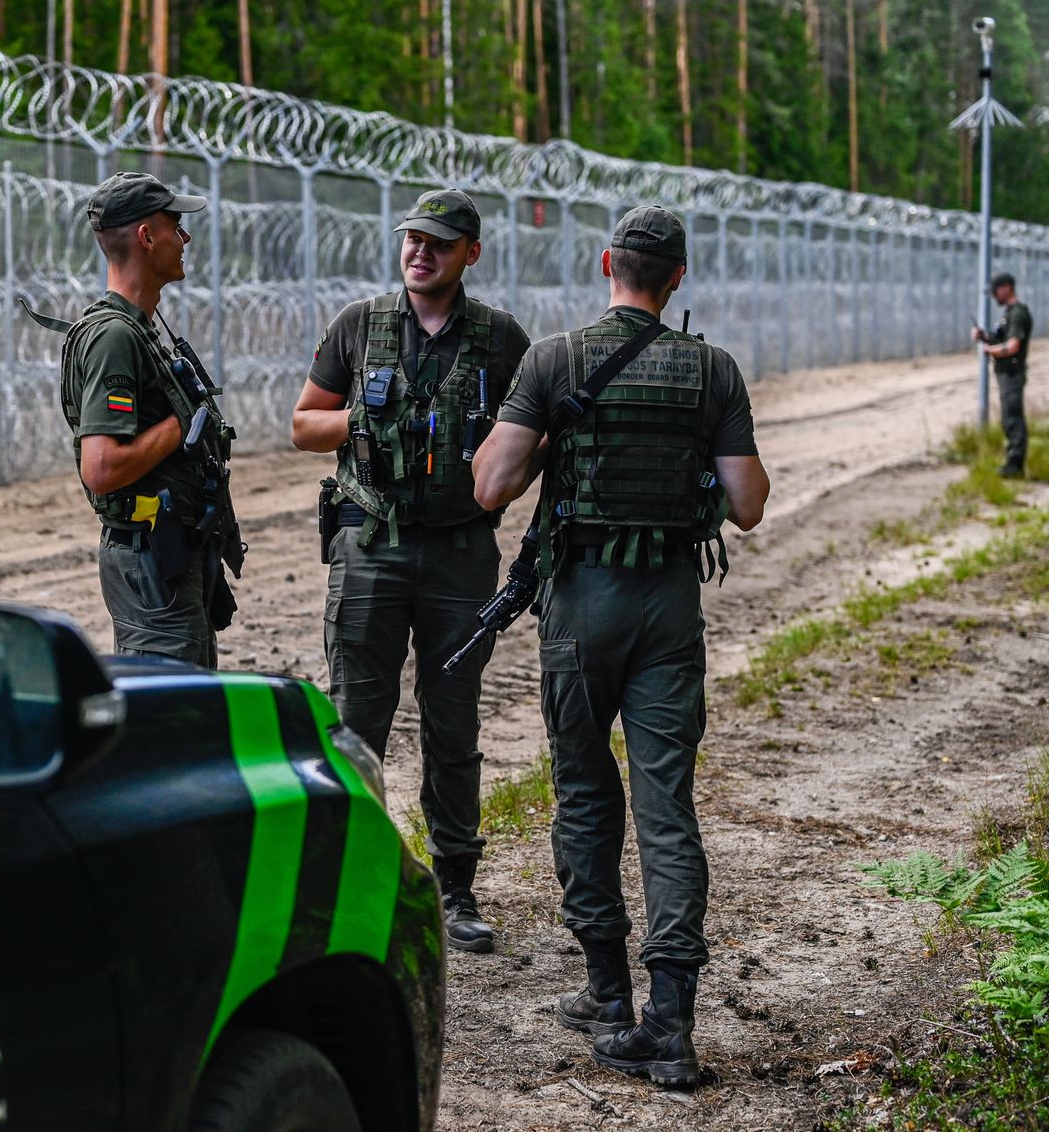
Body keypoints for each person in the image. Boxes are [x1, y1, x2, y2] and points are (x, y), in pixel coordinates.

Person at [471, 206, 770, 1086]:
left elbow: (491, 484)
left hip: (581, 603)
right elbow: (747, 504)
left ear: (608, 263)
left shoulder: (553, 360)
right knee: (666, 805)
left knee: (583, 793)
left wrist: (550, 438)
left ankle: (606, 992)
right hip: (667, 603)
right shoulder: (712, 370)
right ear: (677, 277)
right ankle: (670, 1023)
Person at [291, 188, 531, 953]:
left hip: (460, 551)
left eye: (437, 241)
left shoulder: (499, 339)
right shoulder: (360, 324)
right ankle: (352, 880)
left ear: (470, 252)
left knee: (452, 721)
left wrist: (500, 484)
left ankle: (454, 883)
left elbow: (533, 440)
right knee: (358, 719)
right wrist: (364, 420)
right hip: (372, 546)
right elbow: (303, 423)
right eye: (411, 240)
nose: (419, 251)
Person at [59, 171, 240, 668]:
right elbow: (101, 468)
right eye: (174, 226)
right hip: (149, 558)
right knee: (169, 714)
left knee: (192, 701)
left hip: (171, 549)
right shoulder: (114, 337)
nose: (184, 239)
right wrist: (181, 424)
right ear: (145, 237)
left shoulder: (140, 329)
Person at [972, 272, 1032, 477]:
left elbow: (1013, 346)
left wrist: (990, 351)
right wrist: (984, 338)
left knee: (1013, 419)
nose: (995, 296)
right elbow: (1001, 340)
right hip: (1007, 373)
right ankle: (1012, 463)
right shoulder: (1009, 313)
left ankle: (1015, 466)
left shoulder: (1018, 314)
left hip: (1012, 373)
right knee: (1009, 418)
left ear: (1007, 288)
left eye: (997, 291)